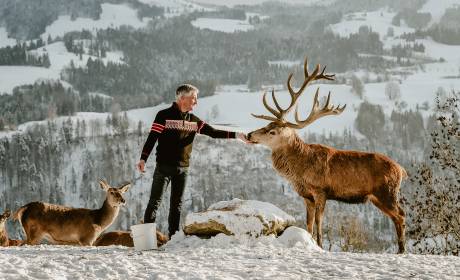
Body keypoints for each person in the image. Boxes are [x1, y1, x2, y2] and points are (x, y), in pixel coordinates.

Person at [137, 84, 248, 237]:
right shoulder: (163, 115)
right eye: (193, 99)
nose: (196, 102)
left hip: (183, 169)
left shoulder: (194, 121)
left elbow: (213, 132)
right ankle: (146, 241)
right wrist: (143, 158)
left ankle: (173, 238)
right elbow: (152, 138)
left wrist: (237, 136)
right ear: (182, 98)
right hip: (163, 167)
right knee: (154, 202)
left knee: (176, 206)